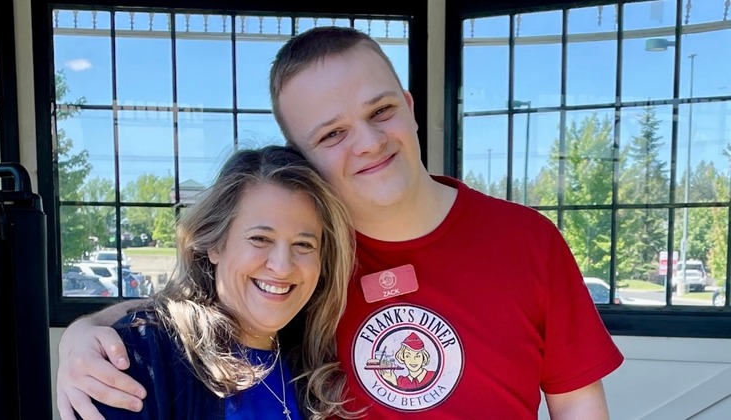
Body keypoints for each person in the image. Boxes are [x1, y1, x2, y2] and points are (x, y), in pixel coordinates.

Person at [57, 26, 623, 419]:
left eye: (381, 111)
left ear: (409, 106)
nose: (370, 142)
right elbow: (205, 304)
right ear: (302, 156)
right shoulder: (304, 256)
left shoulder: (527, 240)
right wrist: (89, 333)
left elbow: (576, 399)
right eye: (332, 134)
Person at [86, 145, 359, 419]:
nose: (282, 266)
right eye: (260, 239)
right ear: (215, 244)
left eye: (303, 244)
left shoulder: (317, 366)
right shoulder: (143, 354)